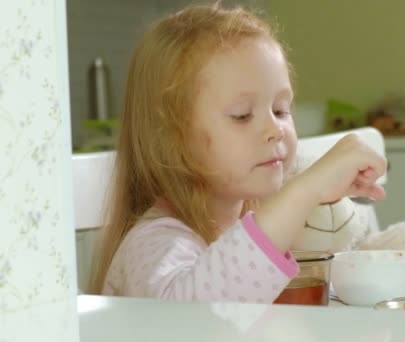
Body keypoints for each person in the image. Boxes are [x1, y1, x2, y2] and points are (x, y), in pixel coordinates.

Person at [88, 4, 386, 303]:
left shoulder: (250, 218)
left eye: (281, 109)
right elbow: (194, 319)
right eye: (242, 115)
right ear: (170, 137)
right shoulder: (152, 244)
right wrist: (302, 191)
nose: (275, 129)